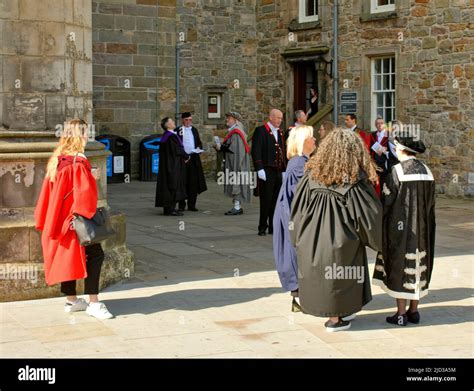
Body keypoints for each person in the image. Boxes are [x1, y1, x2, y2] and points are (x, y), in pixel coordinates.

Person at [290, 128, 382, 332]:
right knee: (340, 274)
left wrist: (298, 238)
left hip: (311, 240)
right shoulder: (354, 182)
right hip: (340, 242)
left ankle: (341, 311)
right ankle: (335, 319)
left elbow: (296, 211)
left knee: (330, 276)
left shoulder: (311, 177)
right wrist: (378, 241)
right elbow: (368, 217)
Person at [34, 119, 113, 320]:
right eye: (86, 133)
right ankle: (94, 303)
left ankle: (72, 300)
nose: (88, 137)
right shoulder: (78, 161)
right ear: (79, 135)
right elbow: (84, 194)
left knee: (67, 258)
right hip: (75, 220)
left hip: (60, 220)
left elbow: (50, 194)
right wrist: (92, 177)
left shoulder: (58, 159)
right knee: (96, 255)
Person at [373, 135, 436, 327]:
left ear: (401, 150)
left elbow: (387, 201)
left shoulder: (397, 171)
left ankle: (400, 314)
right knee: (418, 264)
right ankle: (414, 311)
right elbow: (432, 203)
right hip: (423, 227)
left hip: (400, 229)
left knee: (400, 265)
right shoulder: (427, 171)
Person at [273, 126, 316, 312]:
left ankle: (300, 298)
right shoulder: (300, 164)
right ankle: (301, 299)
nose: (314, 140)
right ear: (303, 142)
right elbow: (302, 196)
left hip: (292, 216)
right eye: (311, 137)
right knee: (298, 256)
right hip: (294, 218)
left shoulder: (300, 161)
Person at [251, 109, 286, 236]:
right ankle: (262, 226)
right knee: (265, 200)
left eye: (281, 118)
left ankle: (273, 226)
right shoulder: (261, 131)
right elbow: (256, 150)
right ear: (271, 117)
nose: (280, 121)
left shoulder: (280, 132)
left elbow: (282, 151)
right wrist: (259, 168)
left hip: (277, 171)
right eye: (278, 118)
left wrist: (284, 169)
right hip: (266, 170)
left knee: (276, 200)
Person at [215, 112, 251, 215]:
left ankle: (237, 207)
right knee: (236, 183)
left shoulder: (236, 133)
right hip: (235, 162)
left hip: (237, 163)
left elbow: (235, 150)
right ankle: (237, 206)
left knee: (237, 183)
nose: (227, 120)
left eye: (229, 118)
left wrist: (221, 147)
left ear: (235, 120)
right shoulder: (234, 132)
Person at [155, 117, 189, 216]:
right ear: (168, 125)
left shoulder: (165, 136)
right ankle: (171, 209)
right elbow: (177, 150)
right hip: (173, 165)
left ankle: (168, 208)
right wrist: (186, 156)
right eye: (171, 121)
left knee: (167, 185)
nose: (174, 122)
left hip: (167, 165)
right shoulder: (171, 137)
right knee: (173, 185)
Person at [175, 112, 207, 211]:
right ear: (182, 120)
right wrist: (182, 156)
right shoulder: (178, 130)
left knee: (193, 182)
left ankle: (192, 204)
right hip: (183, 159)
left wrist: (199, 148)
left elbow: (198, 142)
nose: (188, 122)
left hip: (193, 159)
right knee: (182, 182)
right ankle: (181, 204)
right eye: (186, 120)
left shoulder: (194, 130)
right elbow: (176, 145)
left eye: (190, 120)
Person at [367, 116, 398, 197]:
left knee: (385, 182)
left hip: (386, 162)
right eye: (377, 123)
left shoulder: (389, 135)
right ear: (375, 125)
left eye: (381, 123)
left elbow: (394, 150)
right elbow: (369, 147)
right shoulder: (372, 135)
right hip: (375, 162)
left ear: (385, 124)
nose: (379, 125)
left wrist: (385, 150)